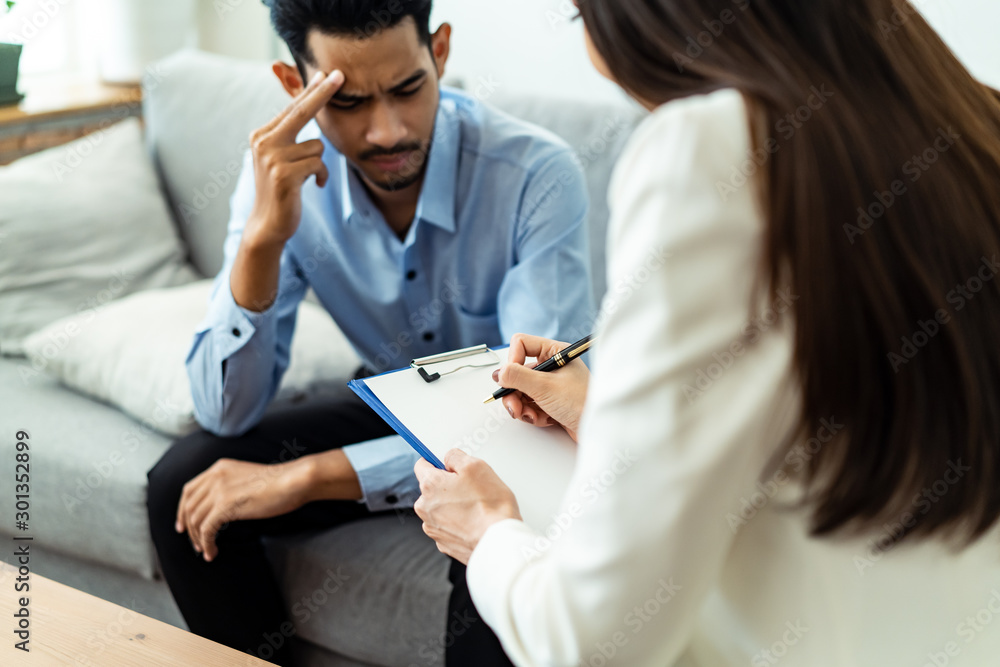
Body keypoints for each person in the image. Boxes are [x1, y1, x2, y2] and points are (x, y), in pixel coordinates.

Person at [413, 0, 1000, 665]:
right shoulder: (975, 124)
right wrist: (603, 413)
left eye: (583, 17)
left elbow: (592, 642)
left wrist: (490, 535)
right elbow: (815, 441)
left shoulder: (710, 152)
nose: (599, 57)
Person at [145, 1, 594, 664]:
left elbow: (520, 429)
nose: (387, 131)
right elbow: (225, 409)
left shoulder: (535, 176)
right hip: (395, 404)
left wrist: (307, 476)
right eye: (348, 101)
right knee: (185, 483)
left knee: (503, 541)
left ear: (439, 52)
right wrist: (262, 245)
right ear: (294, 86)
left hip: (514, 433)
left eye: (408, 88)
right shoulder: (279, 179)